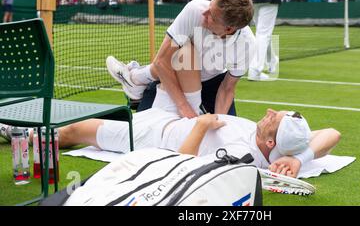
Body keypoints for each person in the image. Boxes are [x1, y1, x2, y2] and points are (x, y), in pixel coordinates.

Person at [44, 57, 341, 177]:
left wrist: (200, 126)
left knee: (74, 132)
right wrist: (300, 160)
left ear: (270, 139)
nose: (269, 112)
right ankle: (137, 83)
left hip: (152, 136)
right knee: (184, 55)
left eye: (273, 119)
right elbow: (332, 133)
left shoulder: (243, 155)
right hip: (173, 113)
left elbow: (181, 165)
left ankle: (24, 138)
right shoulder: (287, 145)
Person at [106, 0, 255, 118]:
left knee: (223, 135)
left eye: (211, 15)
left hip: (213, 83)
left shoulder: (247, 44)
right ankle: (136, 80)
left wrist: (217, 120)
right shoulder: (195, 9)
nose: (204, 12)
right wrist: (186, 109)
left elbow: (227, 88)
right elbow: (161, 62)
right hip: (177, 75)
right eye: (209, 6)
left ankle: (136, 78)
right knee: (143, 129)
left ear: (228, 29)